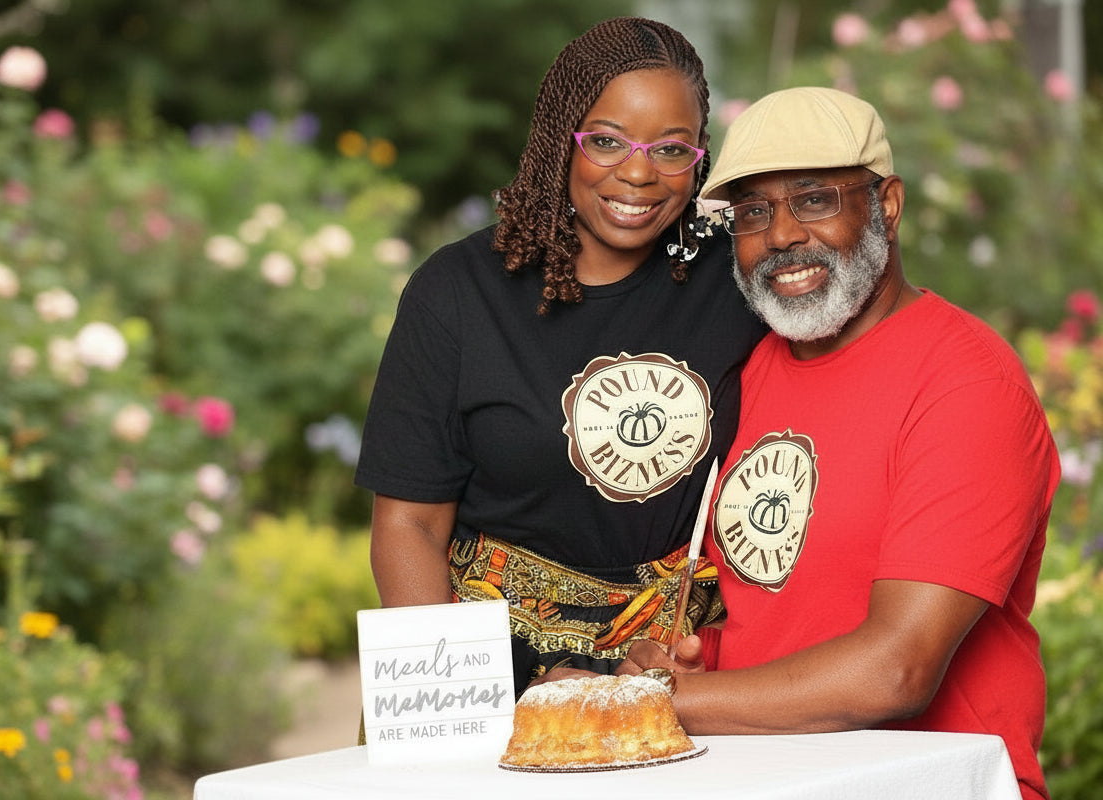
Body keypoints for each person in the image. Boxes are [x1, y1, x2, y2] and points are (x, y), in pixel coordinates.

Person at [617, 86, 1059, 800]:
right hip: (764, 780)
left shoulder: (967, 384)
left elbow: (898, 670)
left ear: (888, 204)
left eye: (814, 198)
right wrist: (693, 667)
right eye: (753, 212)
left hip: (930, 784)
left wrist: (664, 701)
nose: (781, 235)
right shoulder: (749, 369)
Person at [355, 17, 767, 695]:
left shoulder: (735, 282)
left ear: (700, 158)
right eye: (606, 141)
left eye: (672, 149)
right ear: (561, 138)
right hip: (488, 668)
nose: (638, 173)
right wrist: (465, 698)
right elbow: (411, 525)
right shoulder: (458, 292)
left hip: (679, 673)